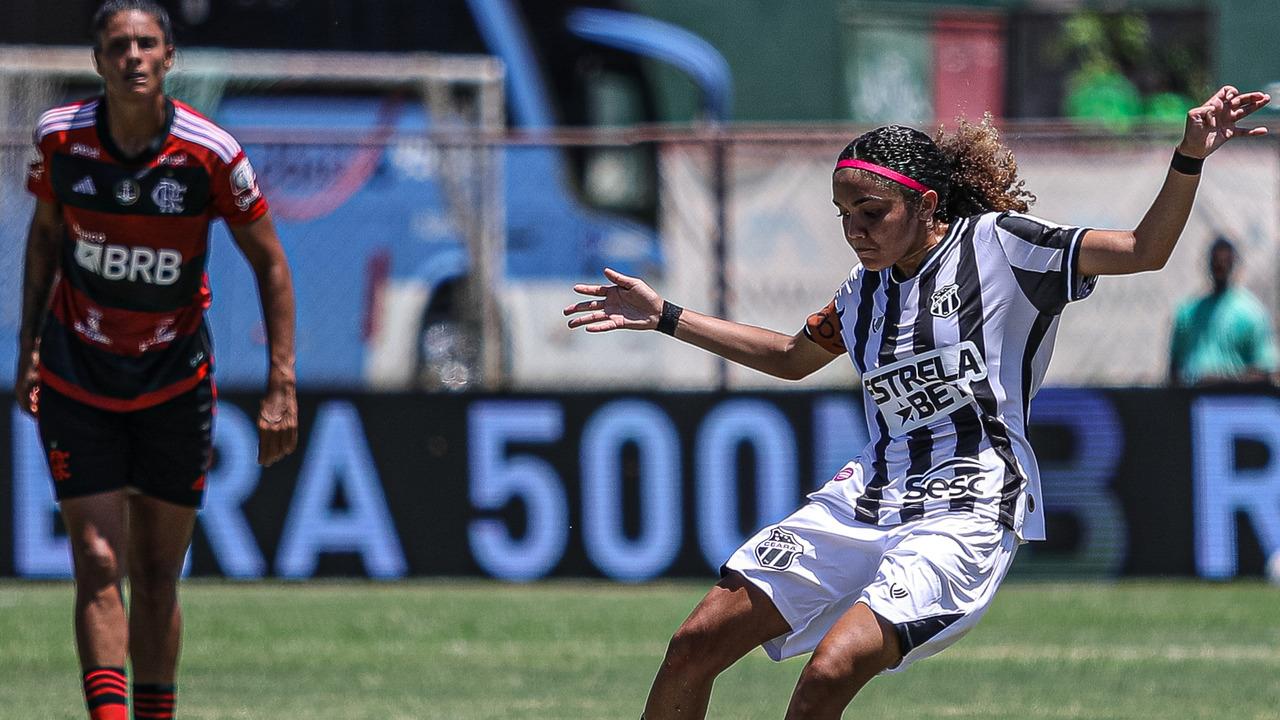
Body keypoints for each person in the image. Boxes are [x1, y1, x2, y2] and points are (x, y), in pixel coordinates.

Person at [565, 85, 1269, 719]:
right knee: (693, 645)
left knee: (829, 673)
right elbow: (789, 358)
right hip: (870, 496)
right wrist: (666, 315)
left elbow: (1144, 250)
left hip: (969, 506)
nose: (855, 230)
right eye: (843, 214)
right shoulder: (862, 289)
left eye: (871, 212)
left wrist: (1188, 156)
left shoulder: (1003, 248)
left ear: (926, 205)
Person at [16, 2, 299, 718]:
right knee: (100, 563)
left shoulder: (212, 154)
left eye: (147, 44)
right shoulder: (61, 141)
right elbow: (45, 240)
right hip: (77, 374)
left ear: (169, 59)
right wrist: (26, 351)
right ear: (99, 61)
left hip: (175, 384)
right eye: (118, 46)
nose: (133, 56)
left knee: (155, 572)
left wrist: (281, 384)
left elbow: (270, 264)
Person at [1168, 235, 1278, 386]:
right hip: (1192, 397)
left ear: (1234, 265)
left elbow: (1265, 369)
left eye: (1226, 262)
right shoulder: (1188, 311)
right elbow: (1175, 366)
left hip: (1234, 401)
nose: (1220, 266)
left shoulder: (1251, 313)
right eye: (1216, 262)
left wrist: (1222, 382)